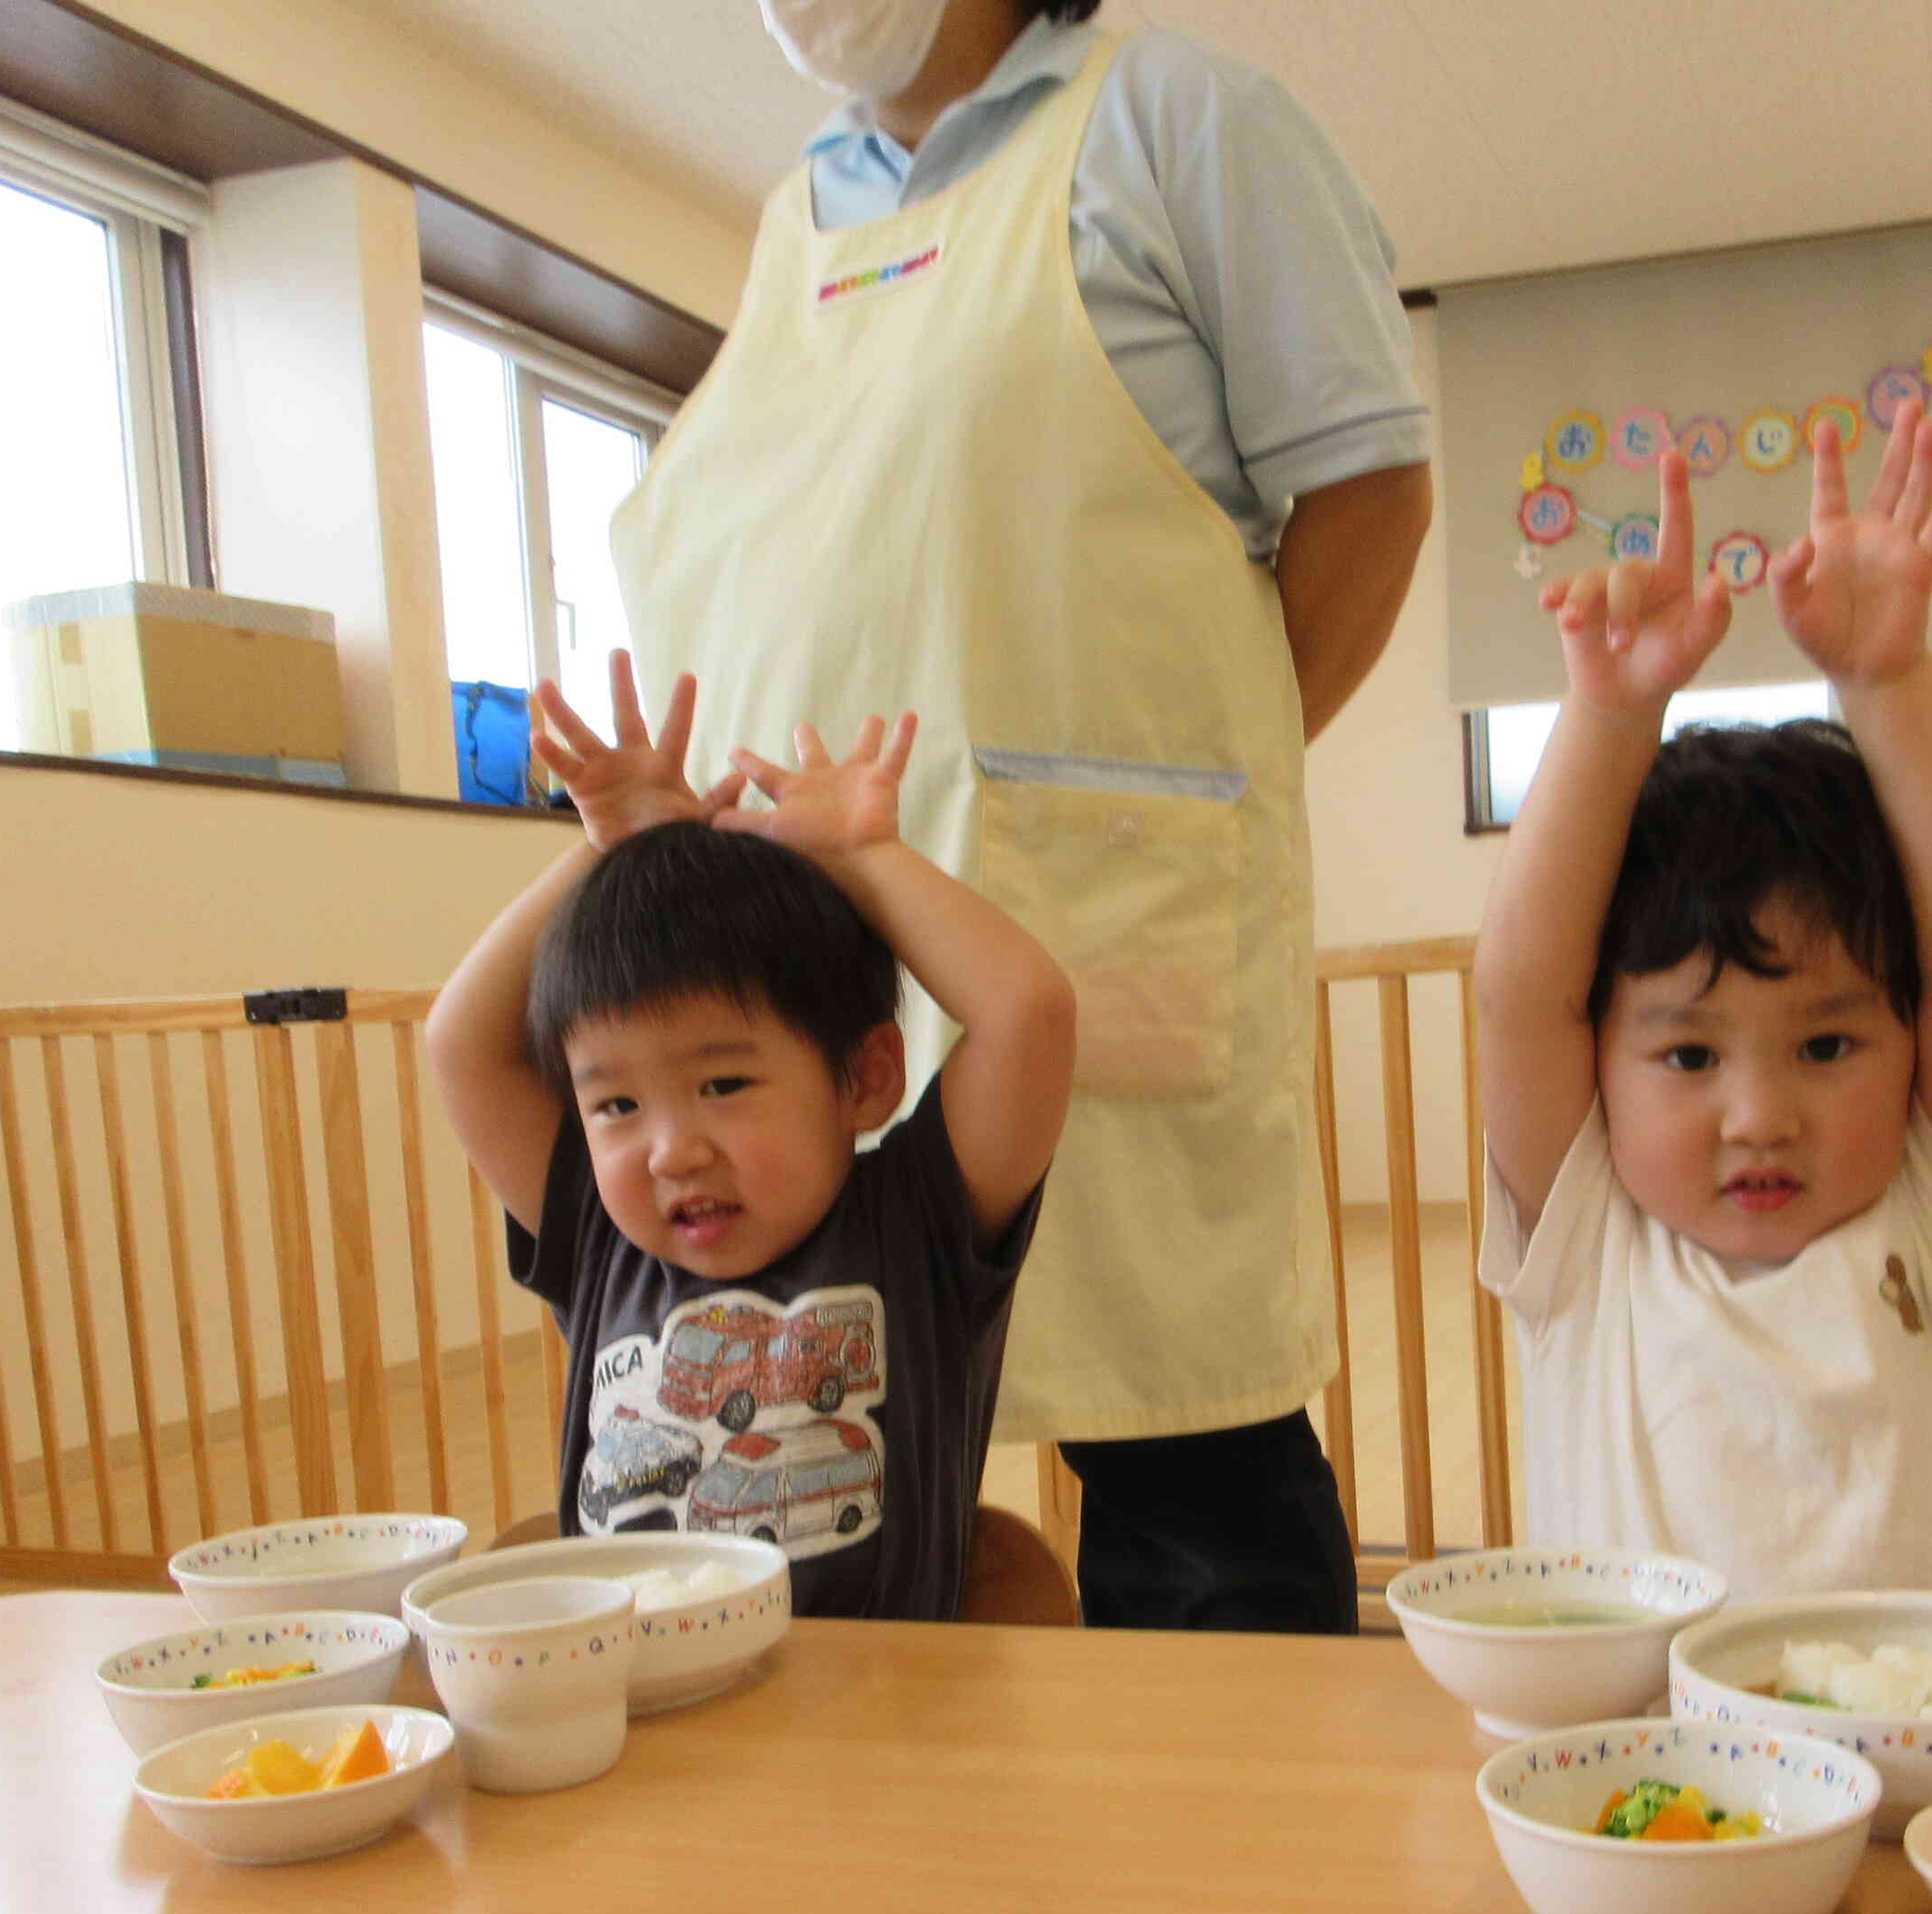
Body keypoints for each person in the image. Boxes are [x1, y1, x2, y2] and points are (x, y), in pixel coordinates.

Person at [567, 0, 1433, 1633]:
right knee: (822, 1440)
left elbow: (1370, 497)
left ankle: (1250, 1849)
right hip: (808, 950)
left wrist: (1206, 778)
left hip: (1093, 910)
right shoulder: (790, 221)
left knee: (1185, 1430)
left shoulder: (1180, 122)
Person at [1471, 417, 1932, 1601]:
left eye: (1827, 1045)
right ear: (1605, 1060)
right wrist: (1612, 715)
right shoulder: (1590, 1247)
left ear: (1911, 1043)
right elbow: (1520, 993)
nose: (1759, 1115)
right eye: (1688, 1054)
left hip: (1905, 1781)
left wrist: (1888, 680)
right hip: (1637, 1784)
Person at [429, 688, 1076, 1619]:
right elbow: (459, 1044)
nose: (670, 1151)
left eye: (723, 1086)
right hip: (632, 1716)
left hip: (870, 1725)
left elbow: (1029, 1015)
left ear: (864, 1078)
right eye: (616, 1103)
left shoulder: (916, 1223)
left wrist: (868, 860)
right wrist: (600, 851)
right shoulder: (601, 1241)